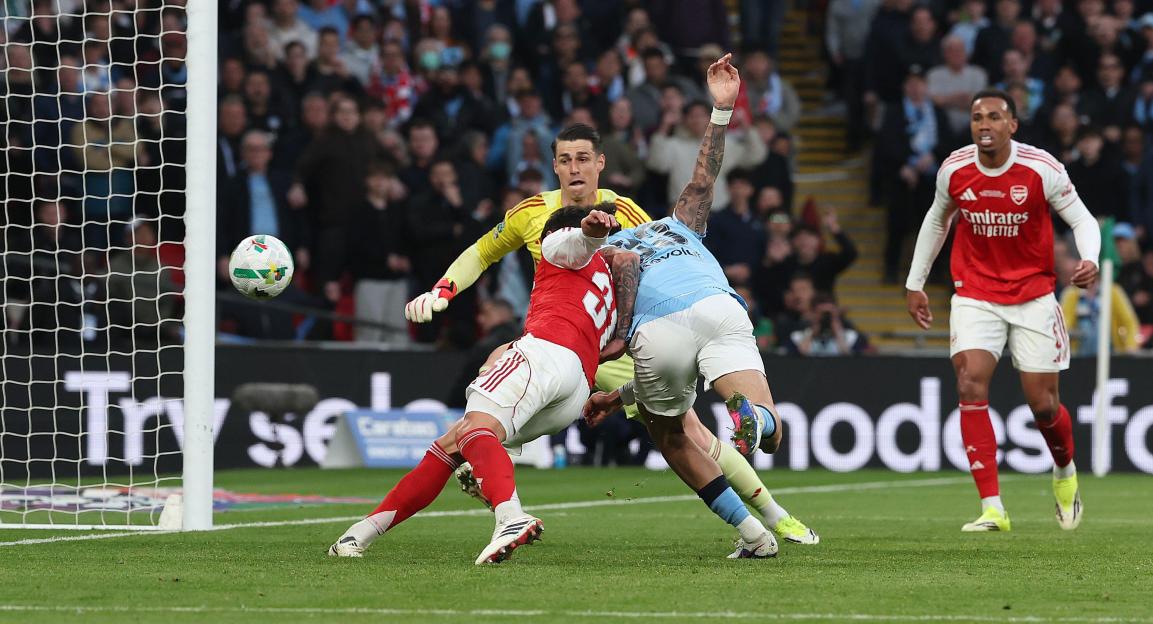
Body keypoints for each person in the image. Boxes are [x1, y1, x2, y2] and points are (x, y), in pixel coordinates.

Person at [406, 120, 818, 548]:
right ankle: (500, 465)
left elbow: (648, 262)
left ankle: (776, 516)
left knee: (688, 432)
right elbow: (480, 252)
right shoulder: (531, 213)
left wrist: (627, 332)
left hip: (618, 342)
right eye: (566, 161)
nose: (575, 168)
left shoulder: (624, 210)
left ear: (600, 163)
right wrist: (443, 289)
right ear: (555, 167)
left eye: (583, 158)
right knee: (495, 361)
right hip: (562, 340)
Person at [329, 209, 637, 563]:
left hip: (545, 354)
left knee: (475, 426)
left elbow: (574, 243)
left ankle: (509, 517)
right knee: (455, 440)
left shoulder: (555, 245)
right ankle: (360, 534)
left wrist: (588, 232)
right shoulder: (608, 288)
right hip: (577, 387)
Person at [583, 54, 793, 559]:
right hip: (719, 307)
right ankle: (753, 420)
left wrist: (618, 354)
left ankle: (754, 536)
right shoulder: (678, 224)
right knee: (771, 427)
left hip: (657, 329)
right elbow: (703, 178)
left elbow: (625, 298)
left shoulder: (606, 254)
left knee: (675, 436)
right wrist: (722, 111)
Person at [905, 88, 1102, 532]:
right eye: (978, 118)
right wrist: (914, 282)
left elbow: (1083, 220)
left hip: (1033, 295)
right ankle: (993, 508)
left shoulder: (1041, 168)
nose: (985, 125)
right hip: (975, 293)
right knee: (969, 382)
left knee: (1044, 405)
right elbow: (938, 220)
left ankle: (1065, 469)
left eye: (994, 117)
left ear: (1012, 125)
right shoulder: (955, 169)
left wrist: (1088, 257)